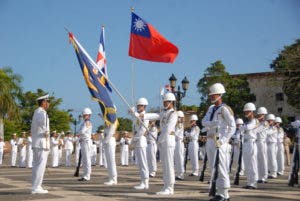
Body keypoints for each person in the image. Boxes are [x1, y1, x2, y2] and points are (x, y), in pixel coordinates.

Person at [202, 83, 236, 201]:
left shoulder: (225, 109)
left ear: (220, 95)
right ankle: (218, 192)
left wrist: (223, 141)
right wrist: (214, 123)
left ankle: (225, 194)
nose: (211, 96)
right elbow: (203, 122)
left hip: (220, 141)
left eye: (214, 94)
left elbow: (232, 126)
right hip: (210, 140)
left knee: (222, 168)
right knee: (213, 168)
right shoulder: (211, 108)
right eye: (211, 95)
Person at [141, 93, 178, 195]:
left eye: (166, 101)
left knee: (169, 164)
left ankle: (170, 187)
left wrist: (160, 140)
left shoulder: (173, 114)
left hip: (168, 139)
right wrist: (142, 115)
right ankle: (166, 185)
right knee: (165, 165)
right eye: (164, 101)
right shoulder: (164, 113)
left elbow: (168, 129)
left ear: (171, 102)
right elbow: (155, 115)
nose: (164, 103)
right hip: (163, 140)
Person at [31, 94, 50, 194]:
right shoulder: (42, 113)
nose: (49, 104)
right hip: (42, 143)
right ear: (43, 102)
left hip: (37, 143)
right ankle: (36, 187)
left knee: (36, 166)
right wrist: (45, 131)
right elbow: (44, 125)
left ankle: (35, 186)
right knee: (40, 166)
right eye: (48, 102)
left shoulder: (36, 112)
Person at [130, 97, 150, 190]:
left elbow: (142, 130)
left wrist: (134, 140)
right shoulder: (138, 116)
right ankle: (142, 181)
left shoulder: (145, 116)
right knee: (139, 163)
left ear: (144, 106)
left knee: (143, 163)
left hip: (141, 140)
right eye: (138, 105)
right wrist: (132, 112)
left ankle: (145, 181)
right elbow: (135, 127)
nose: (139, 106)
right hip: (137, 141)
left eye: (140, 105)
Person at [242, 103, 258, 189]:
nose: (246, 112)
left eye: (247, 111)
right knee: (247, 164)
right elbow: (243, 128)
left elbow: (247, 128)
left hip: (251, 143)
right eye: (245, 111)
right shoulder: (247, 122)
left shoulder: (255, 121)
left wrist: (243, 127)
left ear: (252, 112)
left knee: (252, 164)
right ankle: (249, 182)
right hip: (246, 143)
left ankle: (253, 183)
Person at [78, 108, 93, 181]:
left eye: (85, 115)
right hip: (82, 142)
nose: (84, 116)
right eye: (83, 115)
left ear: (89, 115)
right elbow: (80, 131)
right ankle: (84, 174)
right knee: (84, 160)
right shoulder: (84, 123)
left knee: (87, 159)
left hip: (86, 142)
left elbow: (82, 131)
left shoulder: (88, 122)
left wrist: (79, 133)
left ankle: (87, 175)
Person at [256, 107, 269, 183]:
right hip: (257, 142)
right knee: (257, 160)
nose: (260, 115)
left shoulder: (265, 123)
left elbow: (258, 130)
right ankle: (259, 176)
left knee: (263, 160)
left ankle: (264, 177)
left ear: (264, 115)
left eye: (261, 114)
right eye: (259, 114)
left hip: (262, 142)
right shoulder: (257, 122)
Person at [266, 114, 278, 179]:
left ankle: (274, 173)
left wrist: (266, 126)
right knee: (268, 159)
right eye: (268, 120)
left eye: (270, 121)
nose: (268, 122)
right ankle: (270, 172)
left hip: (272, 144)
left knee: (273, 159)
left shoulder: (274, 128)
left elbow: (268, 133)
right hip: (268, 144)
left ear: (273, 121)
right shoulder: (268, 127)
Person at [175, 111, 185, 180]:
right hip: (176, 142)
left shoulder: (180, 125)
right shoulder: (177, 125)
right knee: (177, 159)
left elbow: (176, 134)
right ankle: (178, 173)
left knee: (180, 158)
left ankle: (181, 174)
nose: (178, 119)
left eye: (179, 117)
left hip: (179, 142)